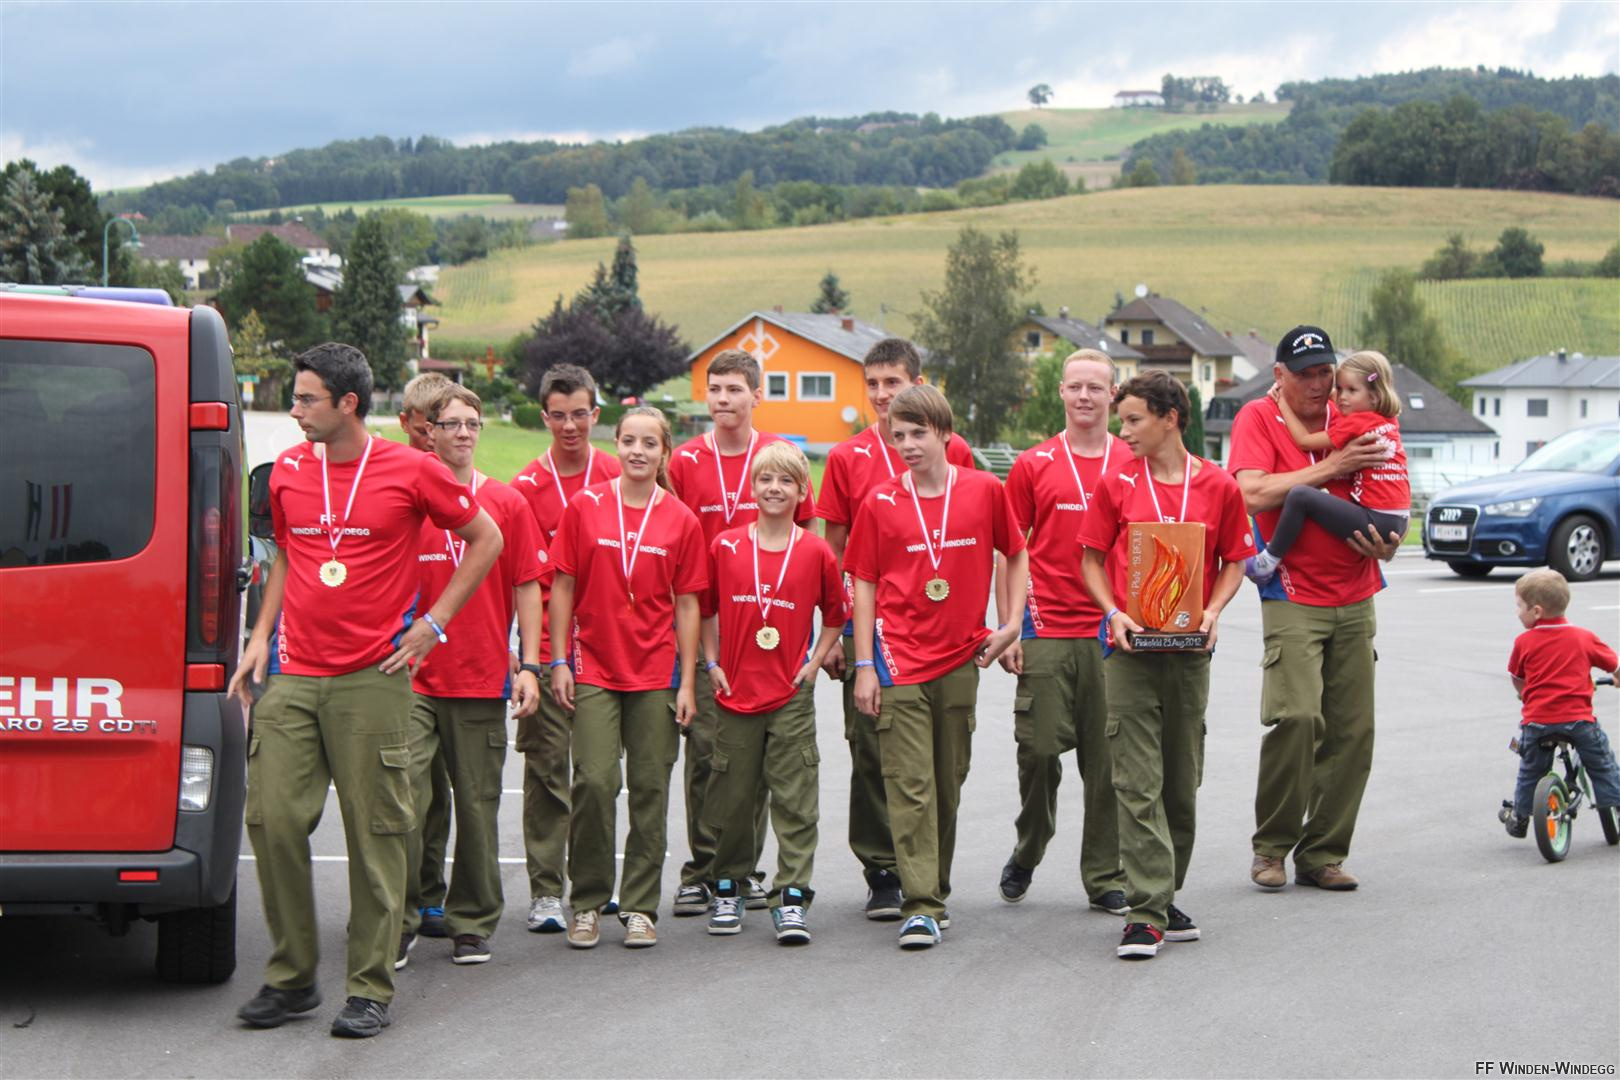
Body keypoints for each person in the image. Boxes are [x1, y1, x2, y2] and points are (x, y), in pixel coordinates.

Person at [229, 343, 502, 1037]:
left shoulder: (411, 469)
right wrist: (260, 634)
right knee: (271, 817)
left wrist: (435, 624)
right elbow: (288, 557)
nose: (294, 410)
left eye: (306, 399)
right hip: (295, 672)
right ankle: (293, 978)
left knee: (377, 832)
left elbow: (486, 538)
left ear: (347, 403)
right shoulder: (288, 471)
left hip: (373, 679)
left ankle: (369, 987)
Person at [1079, 371, 1251, 960]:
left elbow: (1235, 560)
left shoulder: (1219, 485)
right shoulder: (1116, 483)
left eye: (1133, 420)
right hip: (1129, 653)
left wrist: (1214, 610)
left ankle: (1163, 891)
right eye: (1121, 421)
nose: (1123, 431)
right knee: (1136, 780)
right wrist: (1112, 613)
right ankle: (1147, 912)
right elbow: (1090, 559)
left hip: (1189, 653)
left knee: (1180, 782)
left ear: (1170, 418)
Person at [847, 384, 1026, 950]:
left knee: (948, 783)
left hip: (960, 658)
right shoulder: (879, 502)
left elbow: (1015, 551)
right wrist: (864, 665)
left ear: (944, 433)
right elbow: (863, 583)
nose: (907, 445)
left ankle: (934, 887)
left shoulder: (983, 490)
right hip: (897, 659)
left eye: (917, 433)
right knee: (911, 785)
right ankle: (920, 904)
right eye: (898, 435)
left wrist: (1013, 622)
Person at [1228, 326, 1402, 893]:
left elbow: (1391, 486)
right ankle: (1272, 847)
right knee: (1299, 718)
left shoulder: (1353, 407)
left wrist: (1390, 540)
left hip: (1357, 590)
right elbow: (1251, 494)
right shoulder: (1258, 417)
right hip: (1293, 594)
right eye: (1305, 374)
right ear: (1279, 375)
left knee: (1353, 732)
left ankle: (1323, 853)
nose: (1319, 383)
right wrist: (1329, 468)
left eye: (1325, 371)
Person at [815, 337, 977, 920]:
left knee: (936, 763)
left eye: (893, 382)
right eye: (873, 384)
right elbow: (833, 553)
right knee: (869, 750)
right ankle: (882, 868)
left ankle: (926, 874)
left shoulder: (955, 451)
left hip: (939, 631)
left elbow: (974, 532)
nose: (882, 395)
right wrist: (837, 634)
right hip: (870, 632)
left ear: (918, 384)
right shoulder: (847, 457)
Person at [398, 384, 546, 970]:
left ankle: (472, 920)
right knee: (407, 799)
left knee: (478, 806)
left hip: (481, 676)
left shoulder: (506, 502)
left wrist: (529, 663)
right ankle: (403, 916)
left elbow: (528, 585)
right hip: (411, 675)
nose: (463, 433)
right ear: (429, 432)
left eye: (472, 424)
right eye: (451, 423)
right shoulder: (409, 500)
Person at [548, 406, 706, 949]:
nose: (638, 451)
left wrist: (687, 683)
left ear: (665, 453)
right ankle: (588, 901)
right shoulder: (585, 506)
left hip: (656, 672)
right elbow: (563, 586)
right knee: (594, 781)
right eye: (629, 441)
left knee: (650, 788)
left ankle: (639, 906)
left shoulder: (681, 519)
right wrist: (559, 660)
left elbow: (688, 605)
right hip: (594, 663)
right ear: (615, 444)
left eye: (649, 443)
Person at [666, 349, 817, 918]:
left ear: (757, 395)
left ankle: (743, 870)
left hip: (771, 626)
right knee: (708, 753)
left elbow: (808, 540)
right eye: (715, 389)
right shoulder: (685, 461)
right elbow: (671, 537)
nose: (723, 399)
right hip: (708, 628)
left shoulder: (779, 457)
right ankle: (702, 870)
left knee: (758, 760)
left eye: (734, 389)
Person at [995, 349, 1130, 915]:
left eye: (1095, 387)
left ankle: (1105, 875)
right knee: (1038, 751)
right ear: (1061, 392)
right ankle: (1029, 846)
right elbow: (1010, 550)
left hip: (1112, 632)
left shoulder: (1133, 460)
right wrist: (1009, 627)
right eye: (1075, 386)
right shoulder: (1034, 464)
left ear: (1113, 394)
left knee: (1107, 763)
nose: (1084, 396)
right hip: (1046, 626)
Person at [699, 441, 845, 943]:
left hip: (790, 694)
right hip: (735, 690)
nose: (775, 489)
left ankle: (792, 898)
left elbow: (836, 615)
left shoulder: (815, 551)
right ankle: (729, 886)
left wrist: (815, 661)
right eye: (765, 480)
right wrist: (712, 662)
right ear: (752, 488)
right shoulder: (726, 546)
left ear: (802, 491)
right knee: (732, 797)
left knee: (795, 799)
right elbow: (704, 609)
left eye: (786, 481)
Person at [511, 364, 621, 933]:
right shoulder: (525, 487)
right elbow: (524, 580)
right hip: (548, 646)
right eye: (559, 415)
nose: (570, 426)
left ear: (595, 414)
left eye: (580, 414)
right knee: (548, 768)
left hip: (608, 648)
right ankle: (547, 891)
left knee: (599, 776)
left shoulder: (617, 473)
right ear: (544, 417)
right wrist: (529, 659)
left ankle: (594, 886)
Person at [1247, 349, 1410, 584]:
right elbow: (1357, 392)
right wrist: (1343, 392)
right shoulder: (1387, 419)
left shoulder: (1356, 422)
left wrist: (1282, 402)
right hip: (1398, 519)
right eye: (1339, 388)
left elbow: (1305, 441)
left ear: (1374, 396)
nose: (1341, 397)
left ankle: (1268, 560)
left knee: (1301, 496)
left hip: (1377, 519)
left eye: (1351, 390)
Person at [396, 371, 455, 939]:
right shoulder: (391, 478)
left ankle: (431, 893)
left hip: (452, 660)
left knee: (436, 791)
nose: (432, 441)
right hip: (397, 661)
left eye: (445, 428)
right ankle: (396, 900)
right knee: (404, 786)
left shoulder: (462, 488)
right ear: (407, 424)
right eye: (423, 430)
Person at [1499, 569, 1620, 837]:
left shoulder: (1524, 642)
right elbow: (1615, 665)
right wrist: (1617, 679)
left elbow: (1518, 678)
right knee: (1602, 764)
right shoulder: (1584, 637)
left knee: (1530, 771)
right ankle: (1617, 803)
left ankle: (1520, 817)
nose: (1517, 612)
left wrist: (1525, 693)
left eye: (1519, 606)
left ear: (1537, 612)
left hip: (1537, 722)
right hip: (1579, 722)